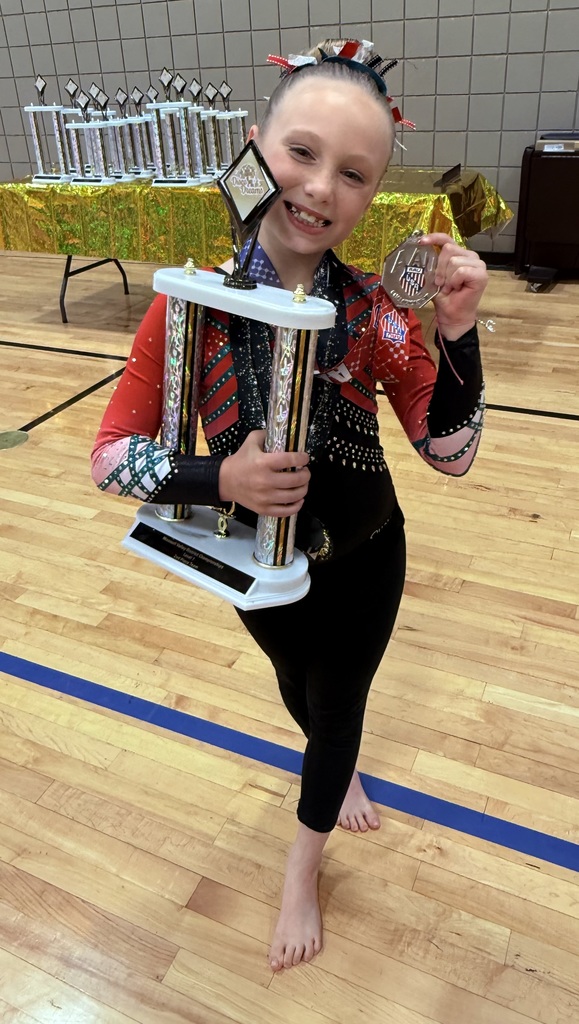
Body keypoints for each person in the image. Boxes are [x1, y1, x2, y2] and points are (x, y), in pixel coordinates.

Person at [91, 39, 488, 972]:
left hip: (364, 558)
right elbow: (110, 458)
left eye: (354, 174)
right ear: (254, 143)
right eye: (301, 153)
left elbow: (449, 452)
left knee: (338, 702)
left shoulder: (378, 314)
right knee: (295, 687)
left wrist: (458, 336)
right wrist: (215, 480)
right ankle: (329, 765)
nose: (319, 189)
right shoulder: (191, 302)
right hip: (253, 565)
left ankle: (301, 869)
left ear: (374, 192)